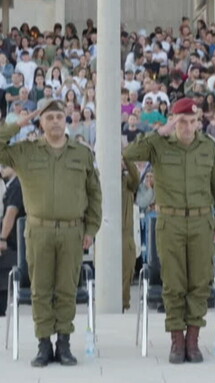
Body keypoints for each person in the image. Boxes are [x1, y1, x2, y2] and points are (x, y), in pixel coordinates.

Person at [123, 98, 215, 364]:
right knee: (173, 283)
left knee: (199, 282)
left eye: (193, 122)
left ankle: (193, 340)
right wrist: (159, 132)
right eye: (182, 121)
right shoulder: (159, 145)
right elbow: (130, 153)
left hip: (201, 221)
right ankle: (176, 340)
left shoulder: (208, 147)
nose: (188, 127)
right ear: (173, 120)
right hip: (170, 221)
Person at [0, 101, 102, 367]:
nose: (55, 121)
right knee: (41, 289)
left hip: (72, 231)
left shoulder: (81, 153)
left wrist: (91, 228)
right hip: (39, 231)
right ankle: (44, 344)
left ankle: (64, 344)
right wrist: (16, 125)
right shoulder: (26, 152)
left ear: (66, 121)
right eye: (49, 117)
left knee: (67, 289)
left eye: (60, 116)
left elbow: (94, 193)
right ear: (41, 123)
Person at [0, 166, 25, 317]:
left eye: (5, 165)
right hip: (13, 244)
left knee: (3, 278)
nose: (1, 168)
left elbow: (11, 212)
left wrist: (2, 238)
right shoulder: (12, 185)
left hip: (13, 245)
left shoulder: (17, 186)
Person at [122, 158, 140, 311]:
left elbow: (136, 177)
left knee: (127, 272)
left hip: (125, 234)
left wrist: (127, 160)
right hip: (107, 234)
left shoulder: (127, 182)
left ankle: (123, 304)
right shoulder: (101, 179)